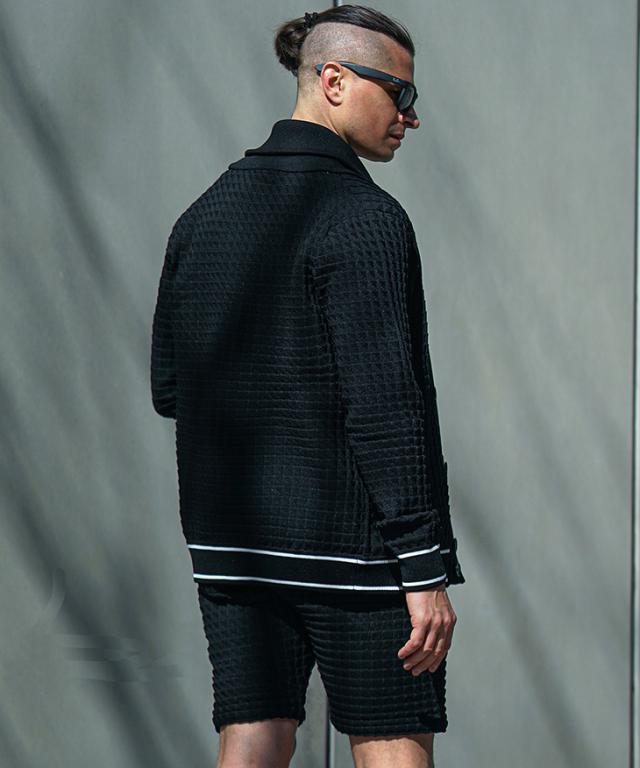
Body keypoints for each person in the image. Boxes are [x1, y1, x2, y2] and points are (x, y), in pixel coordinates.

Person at [150, 5, 465, 767]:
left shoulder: (204, 215)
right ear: (333, 80)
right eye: (400, 94)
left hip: (233, 549)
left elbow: (169, 386)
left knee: (253, 737)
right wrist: (423, 567)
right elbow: (388, 409)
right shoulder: (365, 219)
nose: (410, 117)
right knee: (392, 747)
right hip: (357, 554)